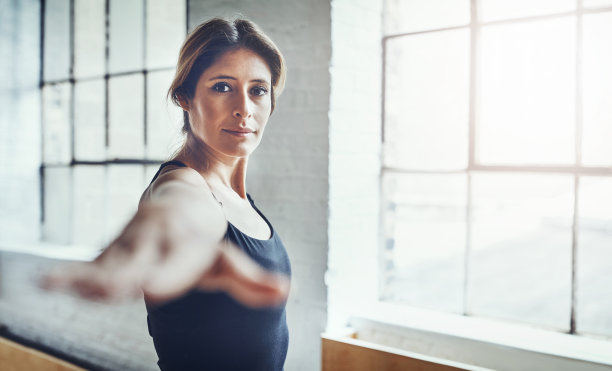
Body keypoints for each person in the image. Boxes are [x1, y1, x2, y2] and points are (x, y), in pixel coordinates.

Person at [43, 18, 292, 371]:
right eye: (222, 87)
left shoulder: (236, 197)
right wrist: (159, 224)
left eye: (258, 90)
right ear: (184, 97)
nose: (244, 108)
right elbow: (178, 206)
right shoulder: (184, 185)